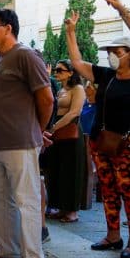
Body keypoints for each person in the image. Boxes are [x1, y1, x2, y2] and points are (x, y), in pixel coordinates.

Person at [0, 9, 53, 258]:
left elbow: (46, 99)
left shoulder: (26, 55)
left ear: (8, 28)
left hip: (20, 142)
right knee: (0, 199)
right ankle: (7, 250)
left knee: (26, 201)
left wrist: (37, 129)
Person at [65, 5, 130, 258]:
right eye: (110, 52)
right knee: (108, 189)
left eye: (118, 52)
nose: (112, 56)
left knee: (128, 191)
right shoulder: (107, 75)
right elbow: (77, 63)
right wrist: (71, 32)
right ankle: (113, 236)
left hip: (126, 145)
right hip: (101, 141)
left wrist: (122, 10)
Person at [44, 60, 87, 223]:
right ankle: (61, 207)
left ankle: (72, 211)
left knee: (71, 170)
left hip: (70, 130)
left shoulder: (78, 89)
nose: (57, 72)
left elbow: (74, 112)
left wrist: (54, 127)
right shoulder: (60, 89)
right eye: (56, 70)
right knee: (57, 169)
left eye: (60, 70)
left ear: (70, 72)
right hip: (57, 132)